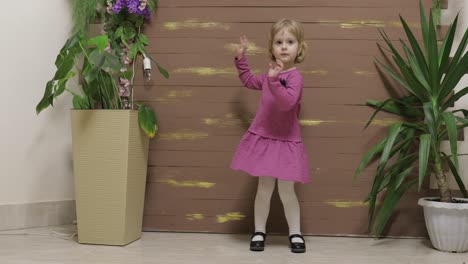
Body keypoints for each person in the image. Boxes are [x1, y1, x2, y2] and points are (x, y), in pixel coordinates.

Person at [230, 18, 309, 253]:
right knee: (264, 188)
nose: (284, 46)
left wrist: (274, 80)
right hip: (265, 139)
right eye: (279, 42)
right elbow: (248, 80)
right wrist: (240, 58)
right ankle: (259, 231)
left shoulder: (295, 77)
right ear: (272, 48)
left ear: (300, 48)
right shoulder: (268, 77)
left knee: (286, 191)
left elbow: (287, 102)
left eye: (290, 42)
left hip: (286, 142)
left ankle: (295, 233)